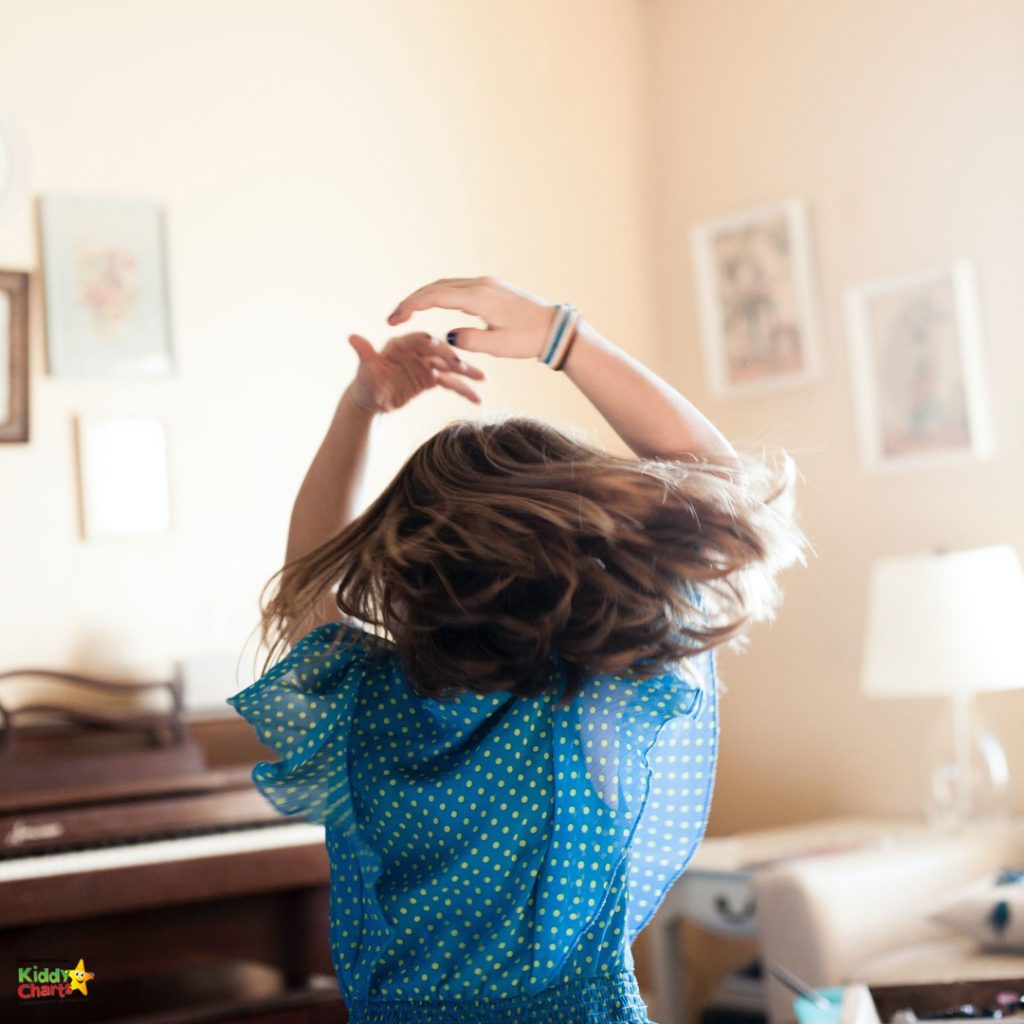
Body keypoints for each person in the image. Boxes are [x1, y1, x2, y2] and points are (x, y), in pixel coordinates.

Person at [226, 275, 807, 1024]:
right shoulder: (599, 697)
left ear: (407, 572)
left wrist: (360, 408)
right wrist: (562, 339)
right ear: (576, 553)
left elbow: (305, 581)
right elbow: (726, 485)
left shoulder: (362, 703)